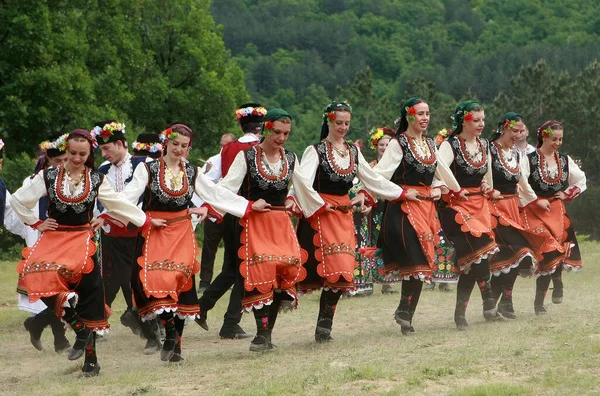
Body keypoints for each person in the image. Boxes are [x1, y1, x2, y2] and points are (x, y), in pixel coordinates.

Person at [121, 123, 269, 361]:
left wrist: (248, 206)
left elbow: (215, 194)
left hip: (181, 233)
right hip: (155, 234)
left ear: (189, 148)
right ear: (165, 143)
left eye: (184, 146)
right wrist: (144, 219)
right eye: (175, 144)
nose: (179, 150)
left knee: (180, 284)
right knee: (160, 283)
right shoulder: (147, 170)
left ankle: (175, 347)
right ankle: (169, 333)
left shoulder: (192, 172)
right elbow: (127, 198)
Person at [10, 129, 148, 377]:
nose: (76, 158)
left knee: (91, 294)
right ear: (66, 150)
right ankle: (79, 328)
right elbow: (19, 200)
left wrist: (131, 219)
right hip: (54, 238)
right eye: (72, 152)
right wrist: (36, 222)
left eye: (82, 154)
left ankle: (91, 362)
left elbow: (118, 203)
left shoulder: (96, 179)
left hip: (83, 239)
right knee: (36, 277)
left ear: (89, 153)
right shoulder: (48, 176)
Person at [293, 101, 416, 342]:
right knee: (331, 268)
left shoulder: (352, 151)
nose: (343, 127)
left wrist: (400, 193)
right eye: (338, 122)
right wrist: (313, 203)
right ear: (328, 121)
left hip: (343, 216)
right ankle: (311, 325)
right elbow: (302, 182)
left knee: (343, 271)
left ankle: (324, 324)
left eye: (346, 123)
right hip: (322, 214)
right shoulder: (315, 151)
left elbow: (373, 179)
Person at [216, 109, 307, 351]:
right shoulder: (247, 157)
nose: (281, 138)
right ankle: (261, 334)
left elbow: (302, 187)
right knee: (261, 274)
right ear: (266, 129)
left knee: (282, 274)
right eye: (277, 132)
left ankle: (265, 333)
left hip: (280, 224)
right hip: (254, 224)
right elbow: (225, 188)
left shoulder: (290, 158)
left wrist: (292, 199)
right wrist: (248, 205)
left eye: (286, 133)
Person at [372, 98, 459, 334]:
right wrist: (400, 192)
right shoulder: (398, 144)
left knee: (422, 263)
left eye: (428, 113)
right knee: (415, 258)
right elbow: (379, 174)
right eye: (420, 113)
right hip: (401, 210)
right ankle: (405, 314)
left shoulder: (430, 144)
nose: (425, 118)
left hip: (426, 209)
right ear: (409, 116)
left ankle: (405, 313)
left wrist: (442, 187)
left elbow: (439, 172)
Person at [197, 103, 267, 339]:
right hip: (250, 214)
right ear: (261, 127)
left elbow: (216, 178)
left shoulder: (227, 149)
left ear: (241, 124)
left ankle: (202, 307)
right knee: (244, 270)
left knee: (231, 269)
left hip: (228, 212)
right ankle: (229, 323)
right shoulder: (260, 149)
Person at [435, 100, 500, 331]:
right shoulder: (450, 145)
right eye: (476, 120)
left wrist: (486, 186)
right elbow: (438, 170)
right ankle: (488, 298)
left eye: (483, 119)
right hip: (455, 207)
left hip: (479, 206)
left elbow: (486, 174)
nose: (481, 124)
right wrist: (450, 189)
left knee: (473, 261)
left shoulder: (484, 144)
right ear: (464, 120)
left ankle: (459, 314)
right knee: (477, 250)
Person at [519, 120, 586, 314]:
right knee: (548, 251)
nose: (557, 143)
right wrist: (535, 200)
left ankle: (552, 287)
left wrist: (566, 194)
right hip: (535, 211)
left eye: (560, 139)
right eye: (554, 139)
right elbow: (521, 182)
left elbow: (580, 179)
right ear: (543, 137)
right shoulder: (529, 159)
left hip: (556, 211)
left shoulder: (564, 160)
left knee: (557, 253)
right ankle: (540, 302)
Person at [487, 113, 548, 319]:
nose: (518, 135)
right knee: (517, 252)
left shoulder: (514, 153)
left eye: (520, 131)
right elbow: (482, 178)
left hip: (513, 208)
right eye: (514, 130)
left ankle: (502, 302)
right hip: (494, 209)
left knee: (516, 256)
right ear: (503, 128)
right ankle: (497, 303)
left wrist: (534, 201)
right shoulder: (489, 149)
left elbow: (522, 182)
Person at [15, 134, 71, 353]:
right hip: (44, 244)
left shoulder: (73, 179)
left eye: (66, 159)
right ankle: (58, 339)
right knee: (57, 292)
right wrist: (38, 223)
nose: (63, 165)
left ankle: (40, 326)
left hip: (68, 241)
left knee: (66, 291)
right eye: (58, 161)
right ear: (48, 160)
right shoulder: (35, 182)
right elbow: (20, 207)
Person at [351, 127, 398, 296]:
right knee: (370, 244)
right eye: (381, 145)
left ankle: (388, 283)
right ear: (376, 146)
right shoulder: (370, 167)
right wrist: (370, 204)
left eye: (387, 145)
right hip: (372, 211)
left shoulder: (395, 167)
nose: (384, 148)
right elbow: (366, 187)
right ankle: (368, 280)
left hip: (390, 208)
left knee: (388, 242)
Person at [199, 132, 237, 292]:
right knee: (209, 247)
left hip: (231, 210)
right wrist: (206, 172)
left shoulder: (238, 161)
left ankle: (226, 280)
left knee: (231, 247)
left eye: (226, 145)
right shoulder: (213, 161)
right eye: (221, 145)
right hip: (214, 209)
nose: (223, 148)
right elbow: (201, 182)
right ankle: (204, 282)